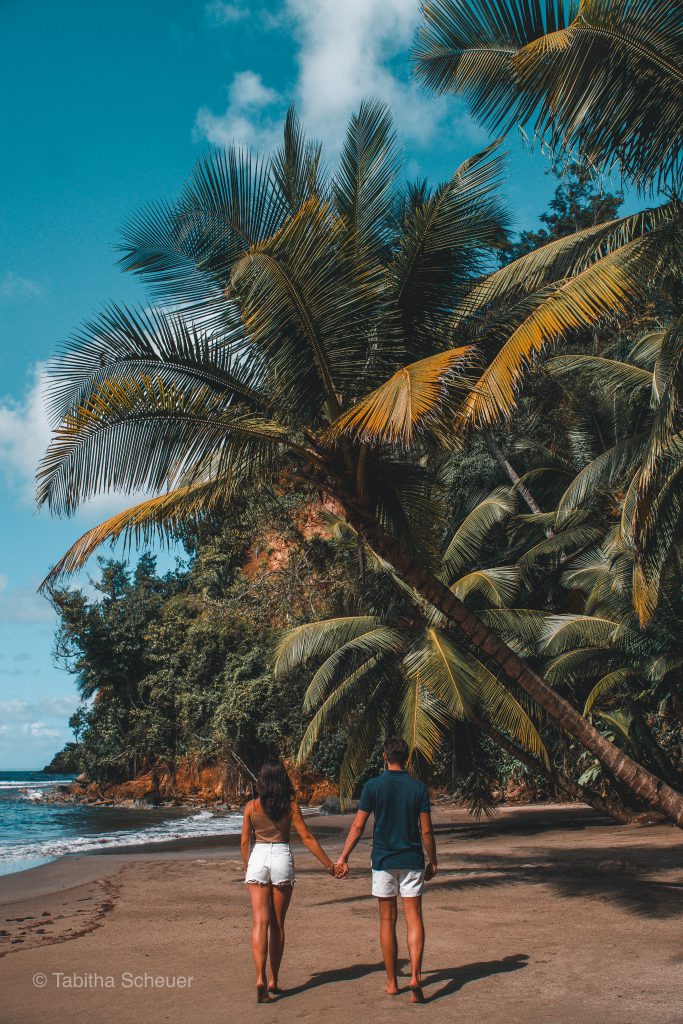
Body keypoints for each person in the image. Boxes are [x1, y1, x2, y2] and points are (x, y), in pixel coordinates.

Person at [335, 736, 437, 1003]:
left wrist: (343, 857)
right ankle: (415, 976)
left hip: (383, 861)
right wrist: (433, 860)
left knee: (387, 921)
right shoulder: (418, 788)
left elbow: (358, 826)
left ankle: (393, 983)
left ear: (384, 756)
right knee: (414, 918)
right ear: (405, 758)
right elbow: (426, 830)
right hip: (412, 860)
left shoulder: (373, 786)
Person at [241, 758, 340, 1003]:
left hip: (259, 859)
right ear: (282, 780)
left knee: (259, 924)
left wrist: (248, 868)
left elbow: (245, 842)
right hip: (282, 858)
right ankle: (274, 979)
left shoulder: (251, 807)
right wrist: (330, 866)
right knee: (277, 925)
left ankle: (259, 978)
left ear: (262, 782)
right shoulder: (290, 806)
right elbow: (306, 837)